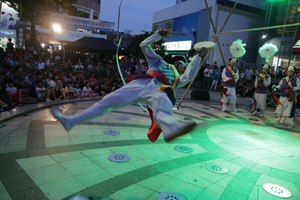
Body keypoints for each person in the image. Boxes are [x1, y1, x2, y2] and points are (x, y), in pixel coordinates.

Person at [52, 28, 211, 142]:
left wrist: (198, 56)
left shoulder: (177, 78)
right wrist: (157, 35)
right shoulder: (157, 60)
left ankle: (171, 129)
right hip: (142, 83)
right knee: (107, 102)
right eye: (180, 62)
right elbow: (144, 46)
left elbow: (189, 75)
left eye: (183, 63)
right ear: (173, 61)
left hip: (161, 90)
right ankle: (71, 122)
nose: (181, 65)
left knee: (162, 109)